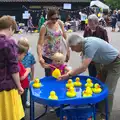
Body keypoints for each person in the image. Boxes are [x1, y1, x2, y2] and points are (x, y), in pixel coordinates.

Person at [59, 33, 120, 120]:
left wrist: (69, 74)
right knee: (99, 86)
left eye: (72, 47)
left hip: (115, 63)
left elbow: (83, 67)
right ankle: (99, 108)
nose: (72, 50)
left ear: (78, 44)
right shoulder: (84, 44)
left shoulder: (89, 45)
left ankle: (105, 115)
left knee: (108, 91)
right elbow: (83, 64)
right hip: (105, 63)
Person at [0, 15, 24, 120]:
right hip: (6, 88)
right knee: (10, 115)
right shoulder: (9, 43)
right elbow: (13, 68)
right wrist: (19, 86)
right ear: (10, 27)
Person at [37, 8, 70, 77]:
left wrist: (67, 52)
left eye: (56, 18)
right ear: (48, 17)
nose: (55, 20)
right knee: (50, 76)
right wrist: (40, 57)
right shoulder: (44, 27)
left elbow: (65, 38)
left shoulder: (60, 23)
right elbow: (39, 44)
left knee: (61, 74)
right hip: (48, 56)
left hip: (59, 55)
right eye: (52, 18)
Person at [18, 37, 36, 107]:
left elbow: (32, 66)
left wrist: (32, 76)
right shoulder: (18, 55)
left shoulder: (30, 55)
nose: (25, 48)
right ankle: (21, 103)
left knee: (26, 89)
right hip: (19, 76)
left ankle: (25, 101)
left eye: (26, 46)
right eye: (23, 46)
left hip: (27, 77)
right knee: (19, 91)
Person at [18, 44, 31, 120]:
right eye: (23, 55)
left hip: (24, 86)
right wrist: (28, 71)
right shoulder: (17, 64)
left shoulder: (19, 62)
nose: (24, 57)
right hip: (22, 87)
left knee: (23, 101)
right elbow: (21, 77)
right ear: (18, 54)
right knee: (22, 102)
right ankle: (21, 116)